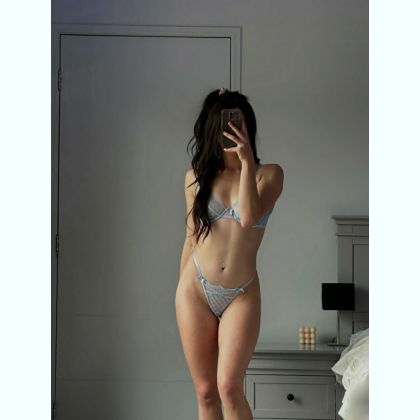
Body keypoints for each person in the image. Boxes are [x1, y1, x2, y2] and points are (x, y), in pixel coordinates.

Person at [175, 88, 284, 420]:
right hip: (195, 290)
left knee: (229, 388)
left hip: (241, 293)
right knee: (206, 393)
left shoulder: (269, 174)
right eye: (227, 124)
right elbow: (191, 238)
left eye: (240, 123)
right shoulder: (195, 178)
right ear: (213, 129)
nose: (234, 130)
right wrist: (180, 289)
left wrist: (246, 160)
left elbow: (248, 218)